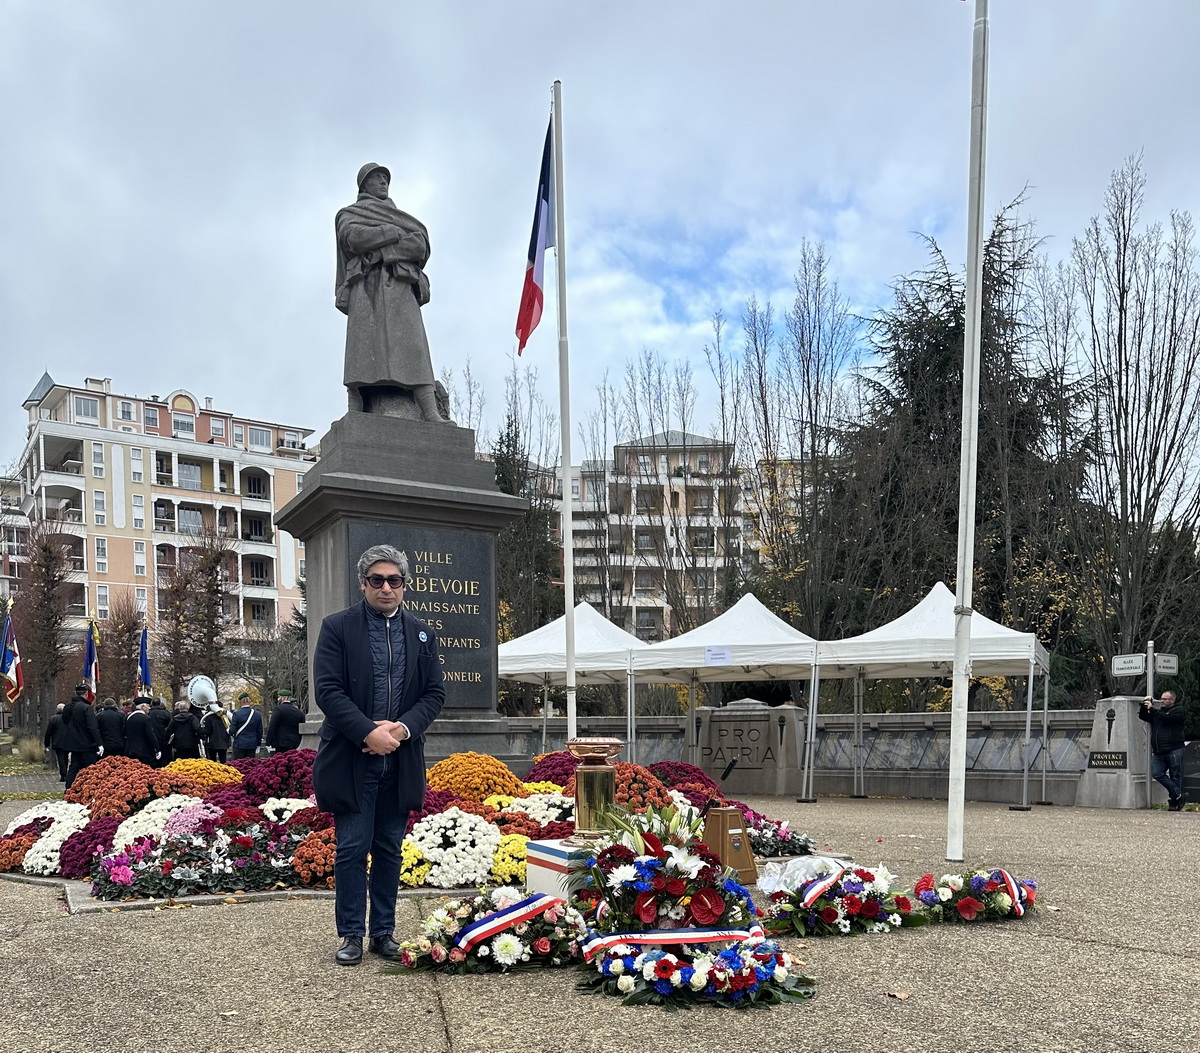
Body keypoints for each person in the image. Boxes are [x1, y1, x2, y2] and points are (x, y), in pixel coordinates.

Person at [312, 543, 445, 966]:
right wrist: (368, 732)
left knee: (389, 847)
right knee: (351, 848)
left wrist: (402, 729)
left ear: (404, 585)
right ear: (363, 584)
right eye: (377, 580)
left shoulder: (422, 633)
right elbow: (328, 691)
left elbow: (433, 693)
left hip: (400, 758)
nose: (386, 587)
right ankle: (352, 933)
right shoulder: (337, 627)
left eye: (394, 580)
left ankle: (383, 933)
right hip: (352, 758)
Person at [336, 163, 446, 423]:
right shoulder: (348, 214)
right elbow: (354, 237)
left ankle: (430, 411)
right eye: (377, 178)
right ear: (364, 184)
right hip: (366, 290)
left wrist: (383, 252)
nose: (384, 182)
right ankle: (355, 412)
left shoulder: (404, 217)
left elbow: (420, 245)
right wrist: (392, 233)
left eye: (386, 178)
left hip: (400, 289)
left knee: (414, 350)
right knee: (361, 353)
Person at [1140, 691, 1187, 810]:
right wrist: (1144, 706)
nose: (1162, 701)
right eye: (1161, 698)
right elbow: (1144, 717)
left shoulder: (1178, 711)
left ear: (1172, 700)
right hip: (1159, 751)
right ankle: (1178, 796)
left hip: (1174, 749)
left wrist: (1153, 710)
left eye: (1165, 699)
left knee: (1175, 776)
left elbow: (1168, 719)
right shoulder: (1159, 713)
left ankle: (1174, 803)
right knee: (1156, 773)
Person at [59, 682, 102, 789]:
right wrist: (99, 743)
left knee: (74, 767)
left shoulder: (68, 706)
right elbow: (92, 727)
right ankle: (91, 789)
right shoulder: (86, 707)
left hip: (73, 743)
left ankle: (69, 788)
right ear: (86, 693)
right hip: (87, 744)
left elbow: (64, 721)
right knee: (91, 768)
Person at [266, 688, 305, 753]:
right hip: (295, 742)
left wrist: (268, 742)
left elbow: (272, 726)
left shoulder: (278, 709)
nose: (278, 699)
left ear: (284, 698)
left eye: (279, 697)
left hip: (281, 743)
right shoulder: (299, 712)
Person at [124, 702, 159, 767]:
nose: (149, 708)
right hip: (144, 751)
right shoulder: (146, 718)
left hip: (130, 749)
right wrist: (157, 748)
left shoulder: (128, 717)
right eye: (147, 706)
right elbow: (150, 735)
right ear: (143, 707)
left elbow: (124, 732)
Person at [230, 693, 263, 760]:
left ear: (240, 702)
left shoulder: (237, 714)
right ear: (249, 701)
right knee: (250, 765)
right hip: (252, 744)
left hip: (239, 744)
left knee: (238, 765)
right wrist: (258, 744)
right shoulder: (257, 714)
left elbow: (232, 731)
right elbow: (260, 731)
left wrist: (228, 731)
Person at [43, 703, 68, 782]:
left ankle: (63, 774)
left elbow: (48, 732)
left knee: (60, 758)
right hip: (68, 741)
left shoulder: (53, 719)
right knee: (65, 757)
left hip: (57, 741)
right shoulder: (68, 718)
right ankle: (65, 772)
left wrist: (46, 744)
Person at [148, 697, 172, 766]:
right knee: (164, 758)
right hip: (164, 738)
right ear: (160, 703)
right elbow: (170, 726)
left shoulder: (149, 713)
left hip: (151, 738)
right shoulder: (166, 713)